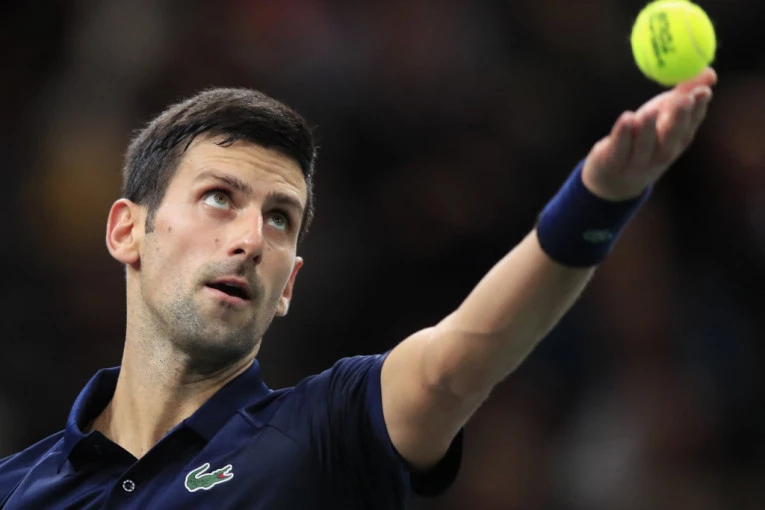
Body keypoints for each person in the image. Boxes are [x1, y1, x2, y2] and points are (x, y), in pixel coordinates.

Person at [0, 68, 717, 509]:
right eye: (219, 198)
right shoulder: (16, 489)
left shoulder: (325, 432)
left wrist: (597, 200)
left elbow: (454, 364)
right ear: (128, 231)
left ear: (288, 285)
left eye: (280, 219)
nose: (251, 240)